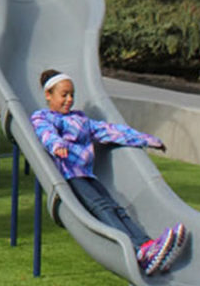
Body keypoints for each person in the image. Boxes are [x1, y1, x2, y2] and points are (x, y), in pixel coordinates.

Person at [30, 69, 188, 276]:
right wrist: (56, 144)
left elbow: (111, 131)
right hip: (70, 176)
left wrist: (147, 140)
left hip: (87, 174)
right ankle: (138, 250)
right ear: (48, 95)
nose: (69, 99)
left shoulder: (81, 120)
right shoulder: (45, 116)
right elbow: (44, 132)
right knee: (103, 207)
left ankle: (147, 246)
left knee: (116, 207)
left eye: (72, 95)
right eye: (64, 95)